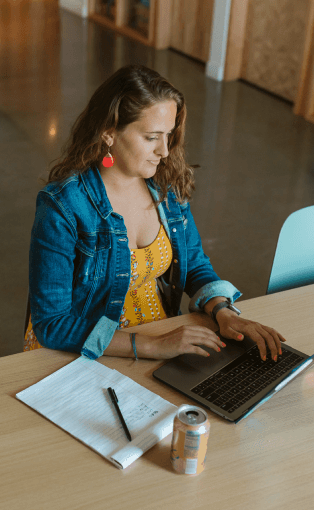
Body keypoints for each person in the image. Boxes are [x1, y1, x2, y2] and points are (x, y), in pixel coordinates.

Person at [24, 65, 285, 362]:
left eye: (169, 135)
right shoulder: (63, 207)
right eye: (151, 137)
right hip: (85, 347)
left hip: (161, 335)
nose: (164, 150)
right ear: (109, 133)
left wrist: (223, 312)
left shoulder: (164, 185)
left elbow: (196, 264)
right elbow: (52, 324)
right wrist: (150, 346)